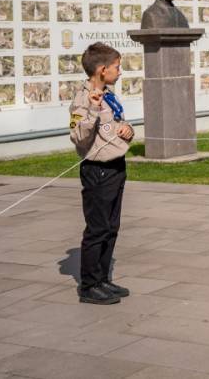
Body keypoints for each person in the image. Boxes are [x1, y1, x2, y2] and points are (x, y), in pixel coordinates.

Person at [69, 42, 135, 305]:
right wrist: (93, 109)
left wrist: (127, 129)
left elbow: (115, 123)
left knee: (111, 227)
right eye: (117, 67)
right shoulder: (83, 98)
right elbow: (79, 137)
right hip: (98, 170)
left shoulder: (108, 94)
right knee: (97, 228)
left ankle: (103, 279)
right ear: (102, 69)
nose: (120, 72)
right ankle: (89, 285)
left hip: (116, 166)